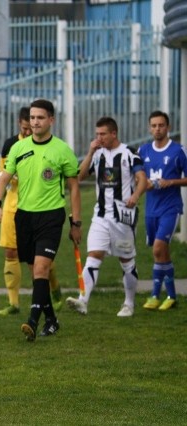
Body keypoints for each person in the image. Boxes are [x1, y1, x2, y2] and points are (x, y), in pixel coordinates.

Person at [0, 98, 81, 341]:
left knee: (41, 268)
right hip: (24, 217)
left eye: (40, 118)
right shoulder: (18, 149)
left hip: (51, 217)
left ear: (51, 120)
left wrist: (76, 223)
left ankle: (32, 320)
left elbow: (74, 188)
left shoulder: (62, 150)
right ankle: (51, 319)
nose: (35, 122)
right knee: (36, 272)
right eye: (32, 118)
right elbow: (3, 179)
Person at [0, 107, 63, 316]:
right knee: (10, 251)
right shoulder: (11, 145)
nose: (29, 132)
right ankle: (14, 302)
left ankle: (54, 289)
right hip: (12, 203)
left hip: (38, 202)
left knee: (40, 258)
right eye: (25, 128)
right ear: (20, 123)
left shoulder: (49, 146)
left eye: (32, 126)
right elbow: (1, 176)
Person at [66, 117, 147, 317]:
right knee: (93, 256)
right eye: (97, 134)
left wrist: (135, 196)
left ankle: (129, 304)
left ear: (113, 133)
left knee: (126, 260)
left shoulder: (129, 153)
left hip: (123, 217)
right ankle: (83, 300)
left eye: (103, 134)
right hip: (100, 215)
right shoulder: (97, 155)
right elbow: (79, 176)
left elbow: (142, 179)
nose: (99, 138)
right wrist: (91, 151)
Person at [137, 111, 187, 310]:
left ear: (168, 127)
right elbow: (136, 177)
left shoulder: (178, 150)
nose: (157, 129)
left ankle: (155, 294)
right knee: (161, 253)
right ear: (150, 128)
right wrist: (143, 184)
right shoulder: (143, 151)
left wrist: (171, 182)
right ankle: (172, 296)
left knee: (159, 248)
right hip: (151, 210)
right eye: (154, 125)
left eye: (161, 125)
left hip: (170, 207)